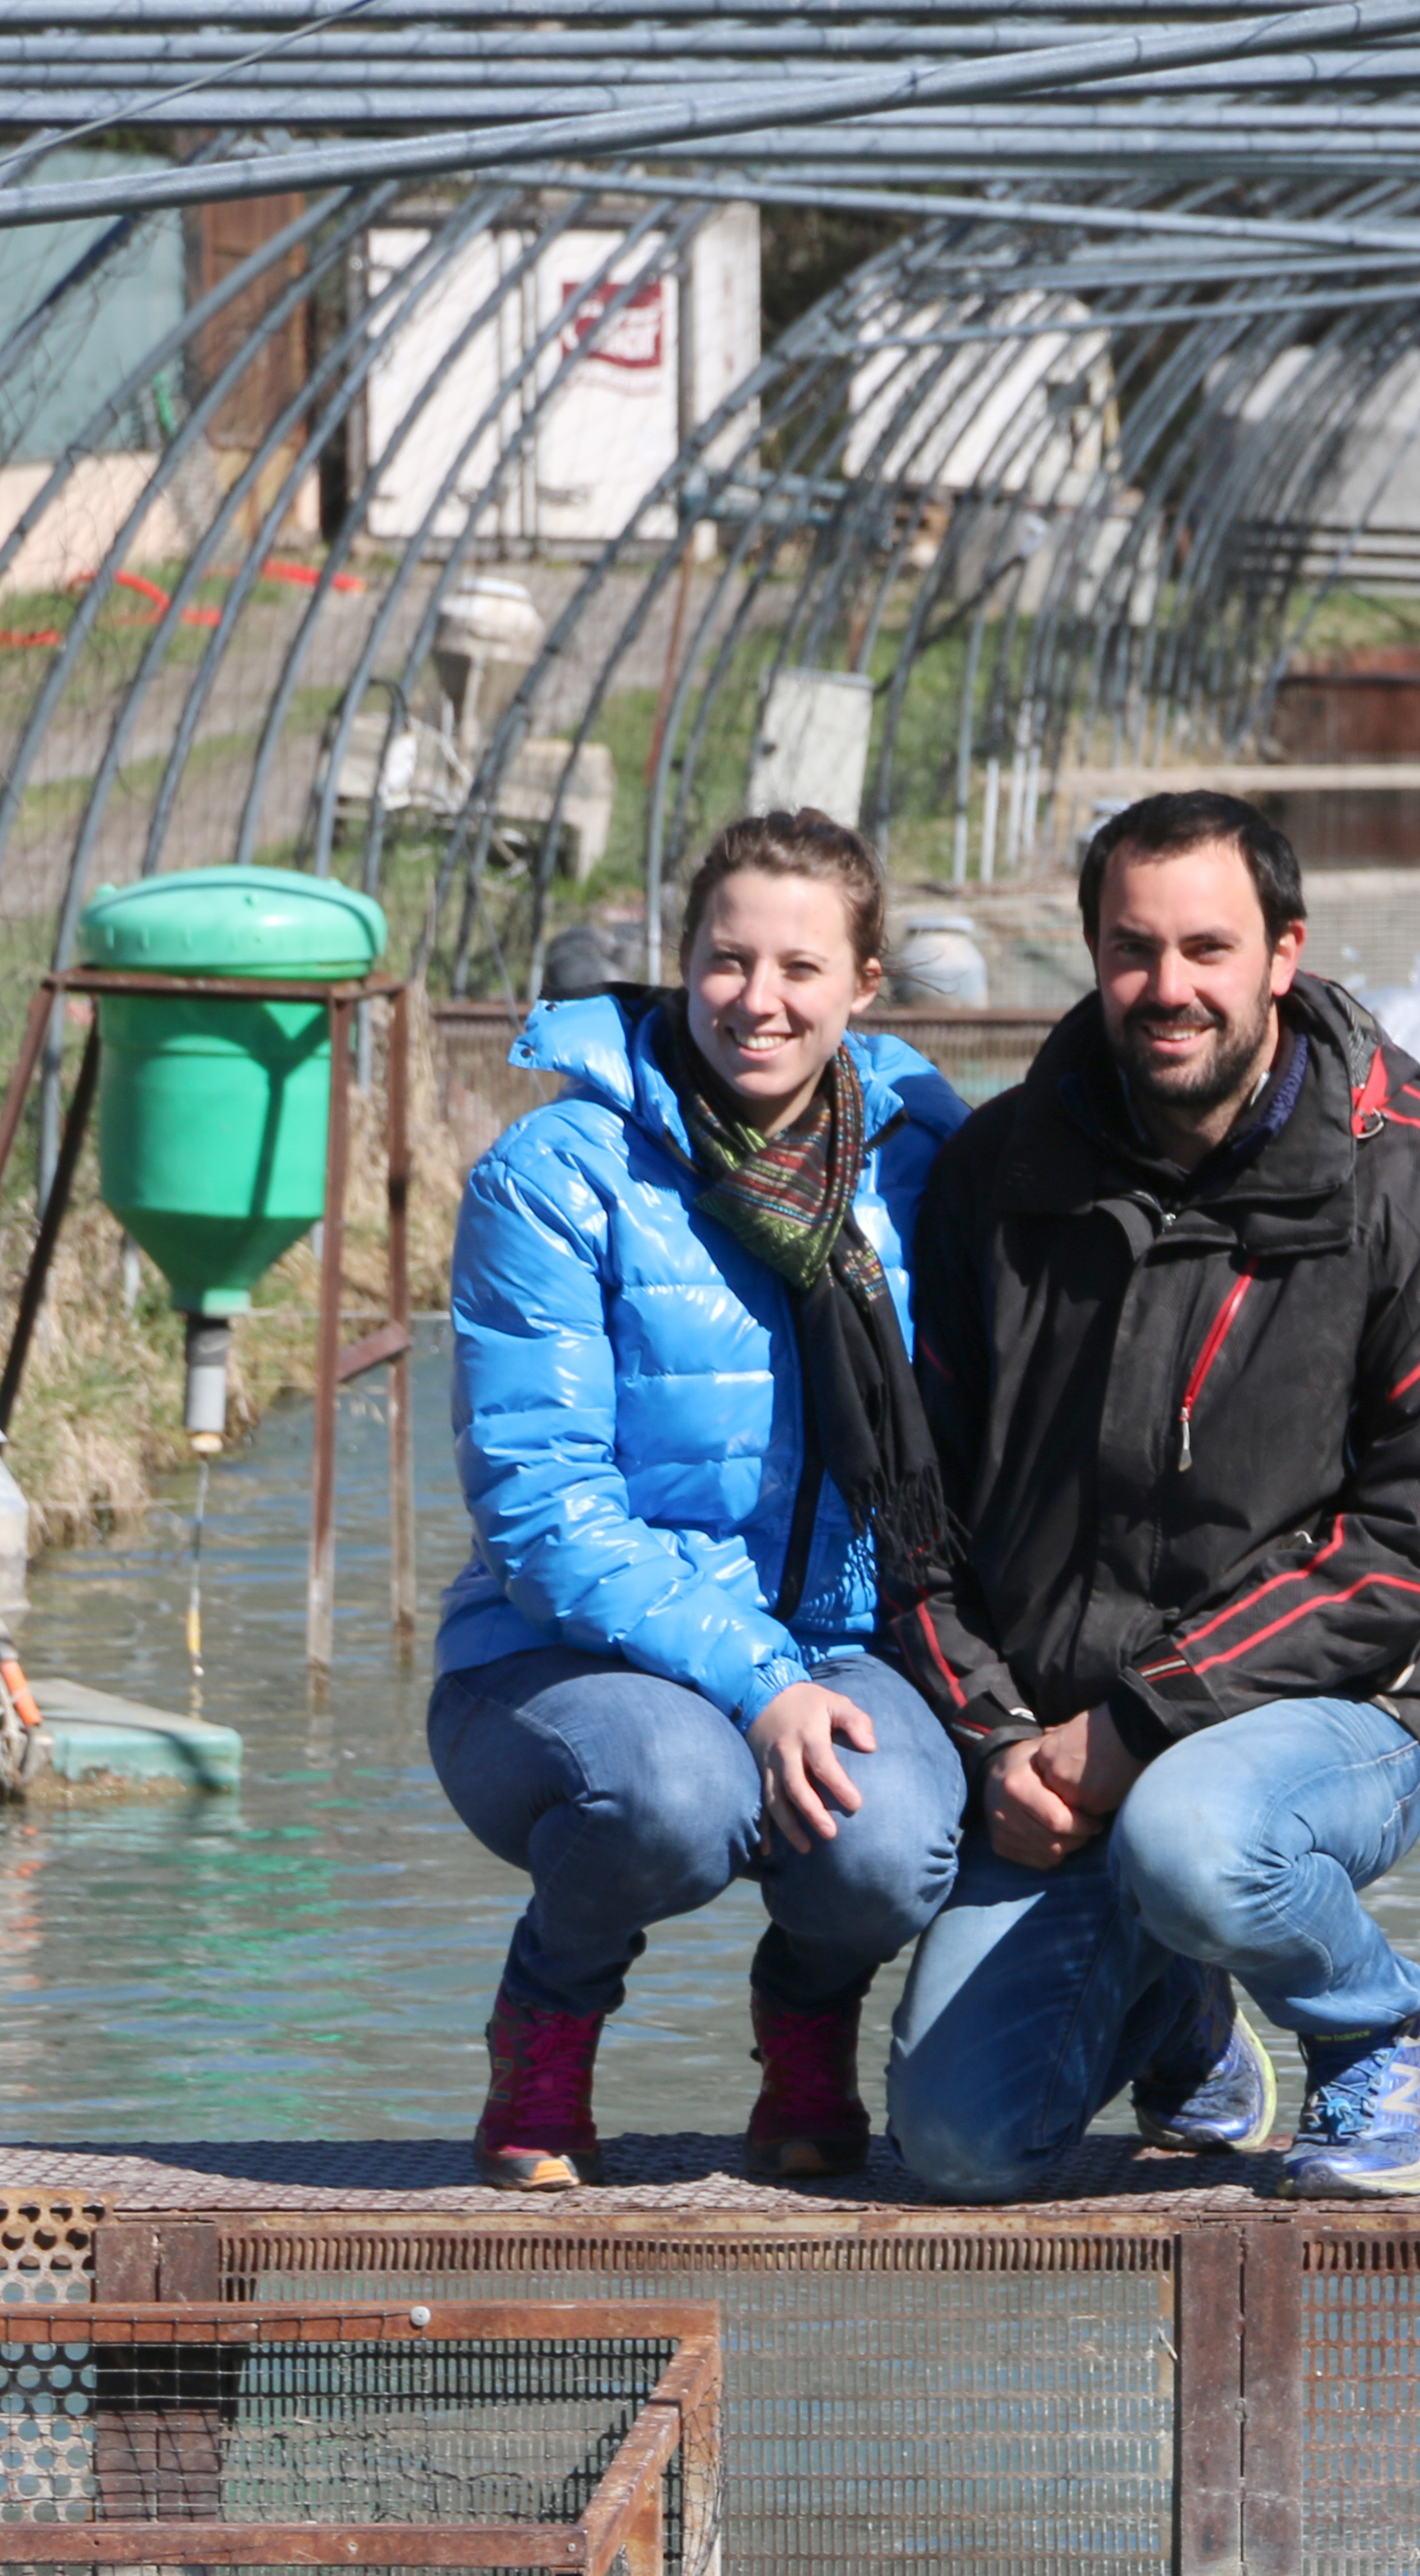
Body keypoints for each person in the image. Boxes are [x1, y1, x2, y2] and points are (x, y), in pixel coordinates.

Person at [884, 790, 1420, 2202]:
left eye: (1207, 947)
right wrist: (1000, 1732)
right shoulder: (998, 1176)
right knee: (956, 2142)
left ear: (1283, 954)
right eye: (1132, 949)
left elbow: (1415, 1545)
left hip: (1353, 1709)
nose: (1167, 988)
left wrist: (1136, 1725)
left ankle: (1372, 2025)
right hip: (1062, 1734)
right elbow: (916, 1507)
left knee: (1198, 1837)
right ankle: (1181, 2009)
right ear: (1090, 951)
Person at [430, 810, 970, 2192]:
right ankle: (547, 2012)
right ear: (678, 964)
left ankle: (804, 2014)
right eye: (726, 960)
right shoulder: (557, 1177)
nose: (759, 999)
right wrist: (757, 1679)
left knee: (894, 1842)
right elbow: (543, 1512)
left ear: (865, 984)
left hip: (844, 1633)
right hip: (560, 1659)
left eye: (801, 966)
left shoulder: (921, 1170)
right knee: (679, 1791)